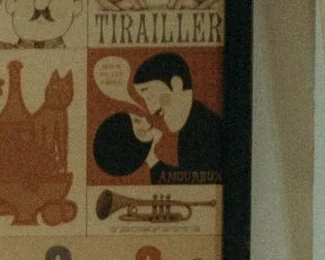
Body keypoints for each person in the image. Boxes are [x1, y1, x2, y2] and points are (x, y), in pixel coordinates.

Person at [91, 47, 227, 181]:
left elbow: (194, 184)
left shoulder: (205, 129)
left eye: (150, 97)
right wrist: (151, 159)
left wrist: (152, 161)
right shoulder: (191, 128)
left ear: (176, 85)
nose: (151, 110)